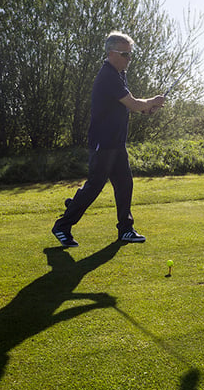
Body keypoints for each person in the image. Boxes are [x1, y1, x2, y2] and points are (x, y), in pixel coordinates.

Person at [52, 31, 166, 247]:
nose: (129, 59)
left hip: (116, 142)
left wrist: (147, 109)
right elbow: (132, 102)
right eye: (126, 54)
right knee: (95, 185)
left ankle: (125, 229)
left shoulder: (119, 73)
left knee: (124, 184)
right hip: (103, 141)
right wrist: (152, 101)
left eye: (130, 55)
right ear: (112, 53)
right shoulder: (108, 75)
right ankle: (63, 225)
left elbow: (128, 106)